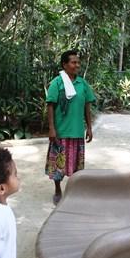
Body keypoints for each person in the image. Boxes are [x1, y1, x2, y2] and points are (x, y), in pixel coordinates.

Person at [45, 50, 96, 205]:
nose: (77, 65)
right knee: (58, 165)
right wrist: (52, 128)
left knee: (76, 166)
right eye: (73, 62)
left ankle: (73, 191)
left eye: (78, 62)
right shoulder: (57, 83)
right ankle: (58, 189)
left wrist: (89, 127)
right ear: (64, 65)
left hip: (77, 131)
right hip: (61, 132)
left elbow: (87, 106)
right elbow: (50, 106)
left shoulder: (82, 84)